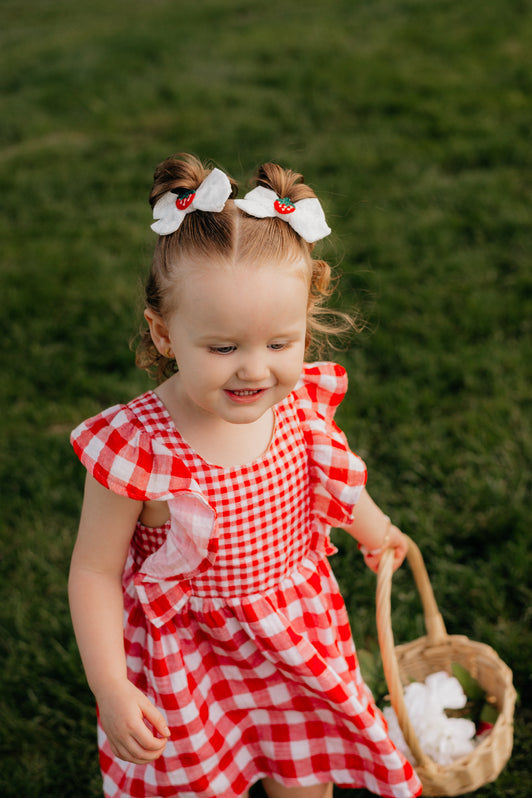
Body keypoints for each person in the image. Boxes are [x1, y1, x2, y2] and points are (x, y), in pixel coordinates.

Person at [69, 153, 422, 798]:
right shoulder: (140, 446)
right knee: (200, 777)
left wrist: (378, 531)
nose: (255, 370)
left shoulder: (297, 403)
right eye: (223, 347)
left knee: (304, 769)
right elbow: (94, 570)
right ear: (164, 333)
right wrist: (112, 686)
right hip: (190, 660)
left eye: (280, 344)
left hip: (293, 631)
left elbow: (331, 480)